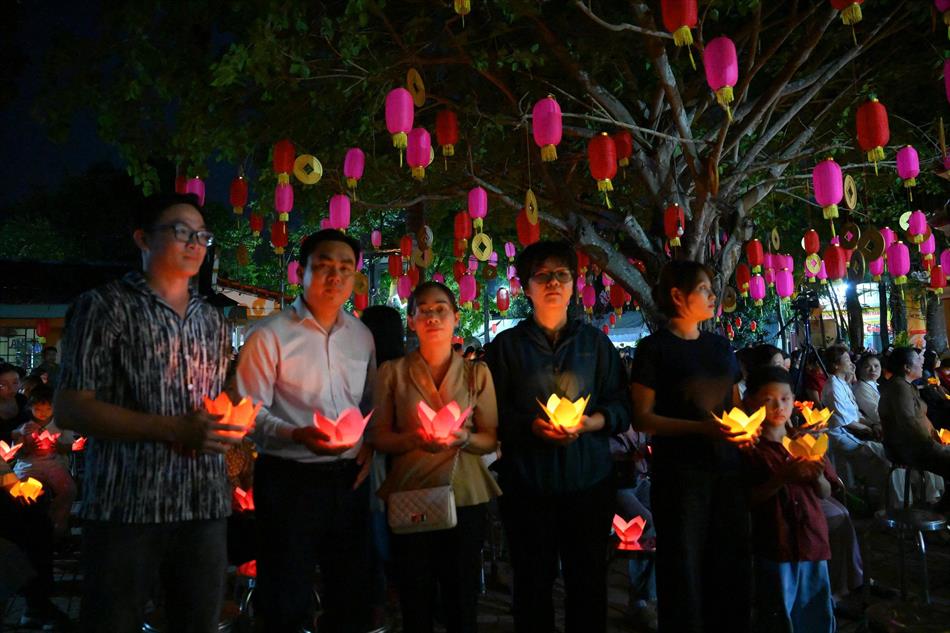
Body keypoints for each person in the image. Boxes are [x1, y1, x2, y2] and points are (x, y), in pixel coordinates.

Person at [56, 192, 243, 633]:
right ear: (143, 238)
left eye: (202, 235)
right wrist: (173, 428)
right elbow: (71, 406)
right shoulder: (104, 306)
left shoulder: (212, 320)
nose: (195, 243)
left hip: (203, 502)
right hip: (127, 502)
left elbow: (215, 402)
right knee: (113, 620)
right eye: (181, 231)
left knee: (197, 620)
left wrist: (233, 424)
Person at [235, 228, 376, 632]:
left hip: (349, 480)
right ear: (301, 271)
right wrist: (296, 434)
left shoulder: (361, 336)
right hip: (288, 481)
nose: (336, 276)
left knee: (350, 595)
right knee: (285, 597)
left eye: (345, 268)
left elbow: (369, 403)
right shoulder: (270, 334)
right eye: (324, 266)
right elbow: (248, 412)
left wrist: (368, 444)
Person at [485, 241, 631, 633]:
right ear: (526, 287)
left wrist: (593, 422)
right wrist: (530, 427)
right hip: (527, 484)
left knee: (588, 581)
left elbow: (622, 404)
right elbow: (490, 412)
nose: (553, 282)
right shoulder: (506, 347)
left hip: (589, 481)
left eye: (561, 275)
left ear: (573, 284)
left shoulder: (595, 345)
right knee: (532, 583)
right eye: (542, 275)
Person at [371, 281, 500, 633]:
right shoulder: (393, 373)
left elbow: (490, 438)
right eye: (423, 310)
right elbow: (379, 436)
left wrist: (465, 438)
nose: (432, 317)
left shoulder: (476, 373)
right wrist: (411, 439)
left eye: (440, 309)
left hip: (465, 494)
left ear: (456, 317)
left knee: (462, 596)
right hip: (412, 491)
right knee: (415, 597)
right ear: (411, 320)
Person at [629, 260, 751, 633]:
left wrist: (752, 426)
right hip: (680, 476)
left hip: (727, 470)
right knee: (684, 566)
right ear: (677, 296)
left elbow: (735, 405)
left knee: (727, 561)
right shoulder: (654, 349)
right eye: (704, 289)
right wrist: (701, 429)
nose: (713, 296)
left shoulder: (720, 346)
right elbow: (643, 418)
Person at [743, 367, 836, 633]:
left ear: (794, 399)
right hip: (775, 543)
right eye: (768, 399)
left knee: (815, 611)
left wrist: (817, 476)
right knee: (779, 613)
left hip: (812, 540)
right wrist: (781, 478)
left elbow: (825, 492)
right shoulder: (750, 449)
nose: (778, 407)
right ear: (751, 402)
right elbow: (746, 499)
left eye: (784, 398)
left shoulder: (805, 441)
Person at [820, 345, 892, 499]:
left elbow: (856, 414)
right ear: (836, 365)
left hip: (852, 431)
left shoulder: (842, 383)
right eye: (846, 359)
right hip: (841, 435)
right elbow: (847, 422)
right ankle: (883, 497)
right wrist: (870, 430)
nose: (851, 363)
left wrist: (872, 425)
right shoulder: (834, 387)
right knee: (882, 456)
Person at [12, 385, 78, 537]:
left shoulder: (61, 425)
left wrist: (58, 446)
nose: (43, 413)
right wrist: (27, 448)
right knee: (24, 492)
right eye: (38, 409)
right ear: (30, 408)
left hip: (54, 465)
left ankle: (56, 523)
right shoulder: (25, 427)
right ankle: (30, 527)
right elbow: (17, 453)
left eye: (48, 409)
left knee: (69, 490)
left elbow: (71, 447)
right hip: (29, 465)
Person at [879, 347, 950, 482]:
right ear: (907, 367)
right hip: (912, 450)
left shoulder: (905, 385)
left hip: (920, 445)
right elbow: (909, 423)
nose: (922, 361)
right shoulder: (899, 387)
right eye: (918, 359)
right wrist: (937, 447)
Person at [0, 363, 29, 443]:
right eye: (3, 384)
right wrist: (13, 434)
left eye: (15, 383)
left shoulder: (22, 399)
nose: (11, 388)